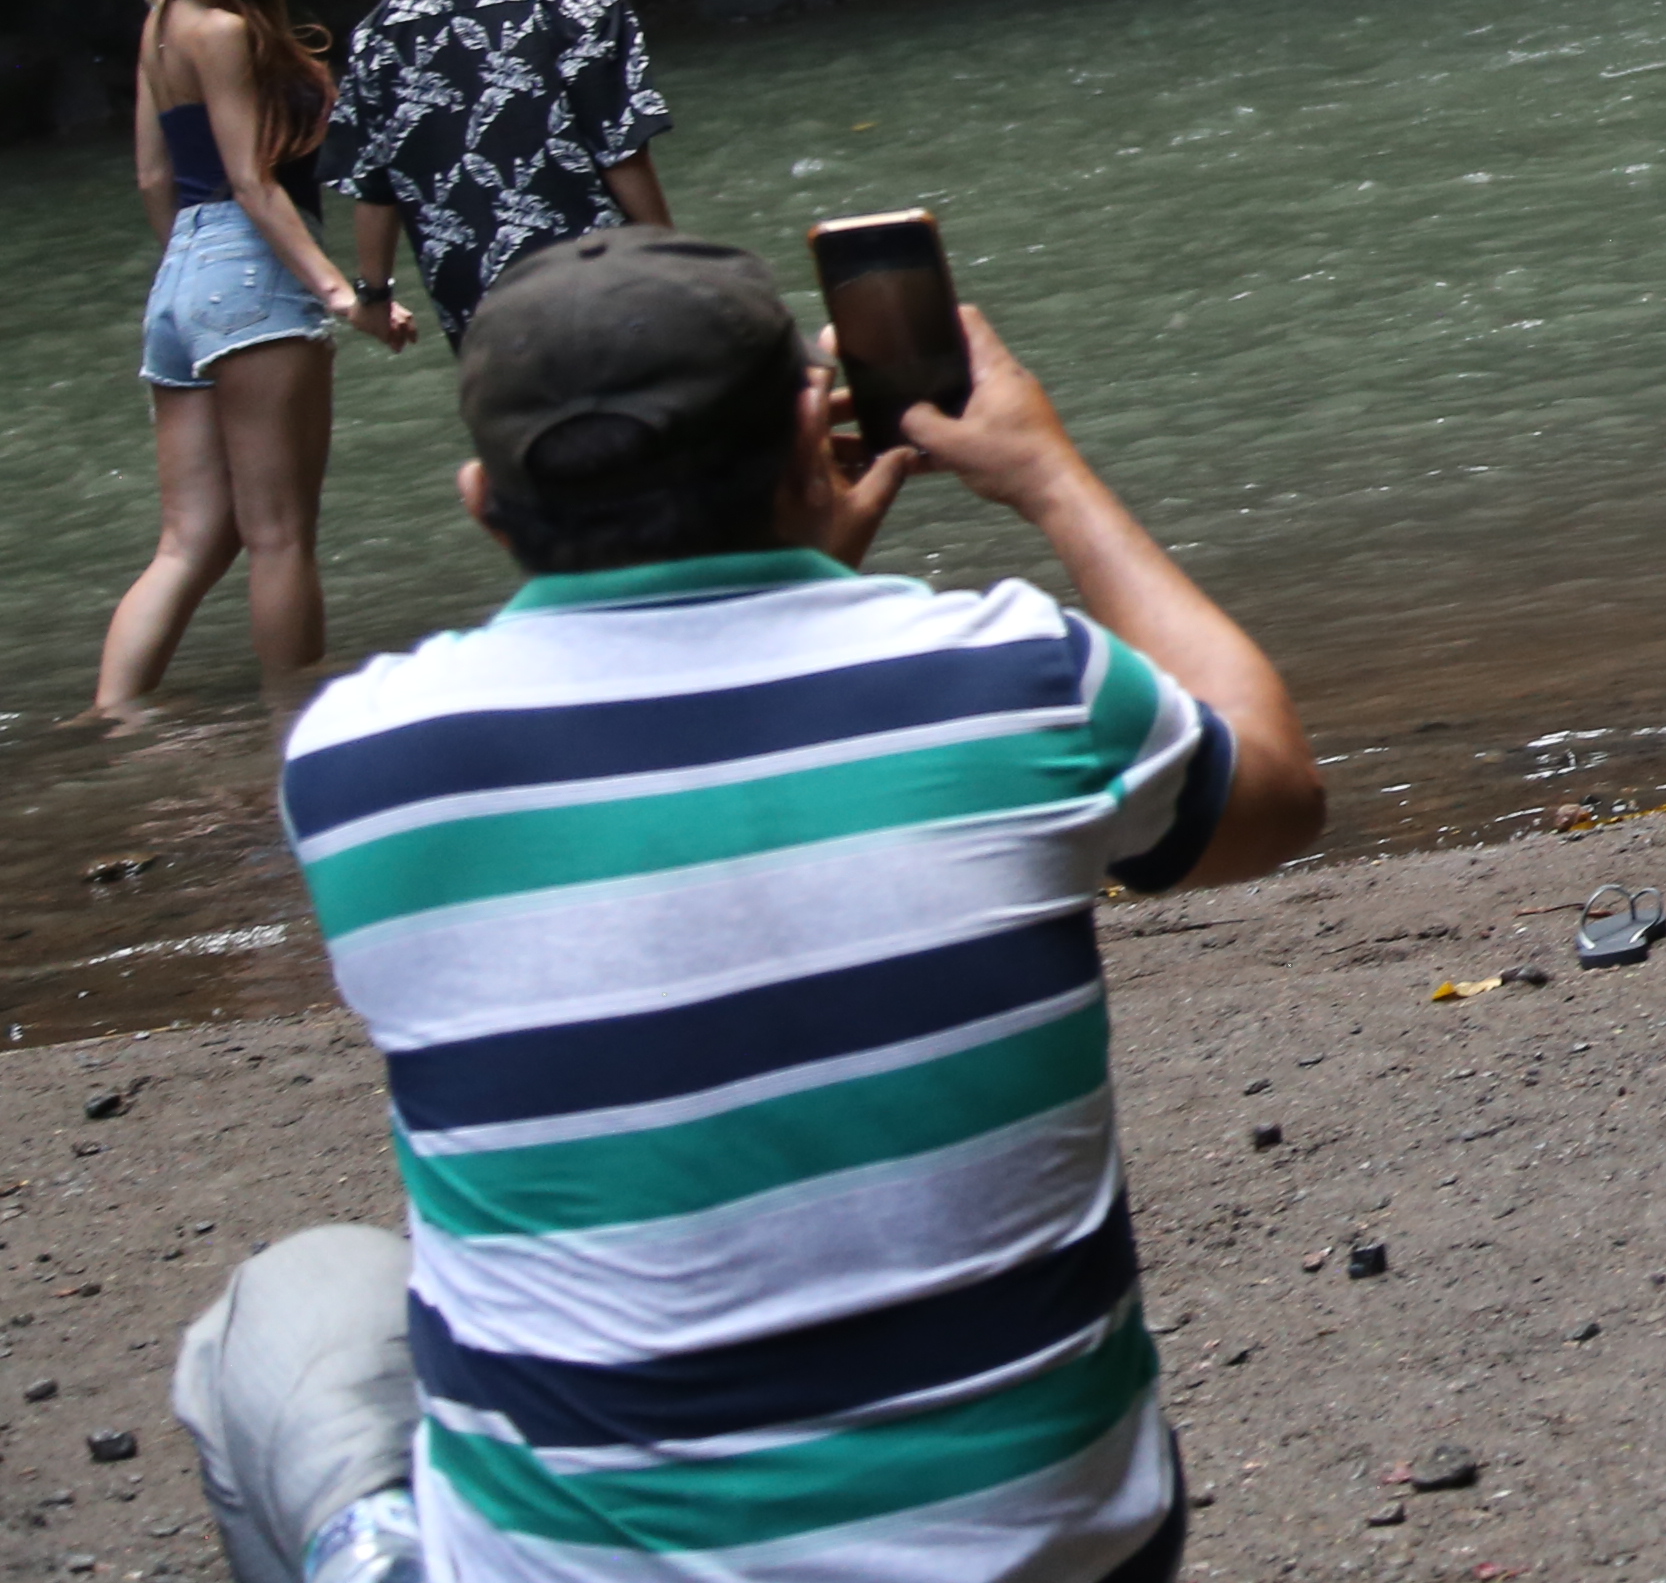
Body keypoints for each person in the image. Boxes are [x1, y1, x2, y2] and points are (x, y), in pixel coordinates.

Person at [182, 227, 1323, 1583]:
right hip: (1066, 1553)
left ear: (488, 503)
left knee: (291, 1307)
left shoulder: (367, 759)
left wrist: (799, 567)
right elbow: (1270, 794)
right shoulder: (1014, 676)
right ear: (810, 432)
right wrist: (1050, 479)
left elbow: (678, 814)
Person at [110, 0, 399, 711]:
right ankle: (294, 734)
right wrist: (343, 294)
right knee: (280, 537)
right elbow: (252, 179)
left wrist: (195, 283)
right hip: (249, 267)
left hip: (184, 280)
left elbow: (156, 178)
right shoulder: (227, 31)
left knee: (189, 541)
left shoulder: (161, 25)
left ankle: (111, 719)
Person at [325, 0, 678, 347]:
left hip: (484, 316)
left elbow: (375, 184)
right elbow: (622, 151)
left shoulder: (387, 23)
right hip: (602, 285)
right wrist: (671, 260)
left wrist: (373, 297)